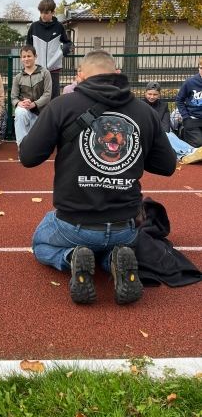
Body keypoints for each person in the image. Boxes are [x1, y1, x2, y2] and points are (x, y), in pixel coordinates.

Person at [20, 50, 176, 306]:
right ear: (117, 74)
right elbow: (167, 166)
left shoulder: (61, 106)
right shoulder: (144, 111)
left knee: (40, 244)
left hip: (74, 225)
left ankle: (72, 258)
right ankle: (112, 260)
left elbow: (28, 157)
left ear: (80, 77)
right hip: (125, 227)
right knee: (108, 246)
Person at [142, 80, 202, 163]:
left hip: (159, 136)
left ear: (159, 94)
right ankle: (191, 151)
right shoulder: (139, 105)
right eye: (149, 94)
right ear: (145, 93)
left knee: (168, 135)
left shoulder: (163, 106)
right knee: (168, 137)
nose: (152, 97)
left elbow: (165, 127)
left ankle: (184, 157)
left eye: (155, 94)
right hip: (143, 136)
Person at [26, 0, 74, 99]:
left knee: (54, 98)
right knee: (37, 99)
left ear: (53, 12)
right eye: (41, 12)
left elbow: (69, 43)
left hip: (53, 71)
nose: (43, 15)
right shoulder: (34, 27)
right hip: (37, 70)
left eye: (46, 13)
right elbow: (28, 47)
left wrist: (62, 54)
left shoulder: (59, 26)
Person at [11, 44, 52, 147]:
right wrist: (20, 103)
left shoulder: (45, 73)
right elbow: (13, 98)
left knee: (38, 145)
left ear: (35, 56)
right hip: (26, 111)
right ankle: (22, 148)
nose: (26, 59)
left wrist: (34, 104)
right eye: (24, 57)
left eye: (29, 56)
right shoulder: (18, 78)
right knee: (20, 112)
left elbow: (47, 94)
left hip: (41, 112)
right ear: (21, 58)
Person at [175, 57, 202, 151]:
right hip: (193, 118)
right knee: (199, 145)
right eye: (201, 68)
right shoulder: (190, 82)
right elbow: (179, 100)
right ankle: (183, 131)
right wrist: (186, 117)